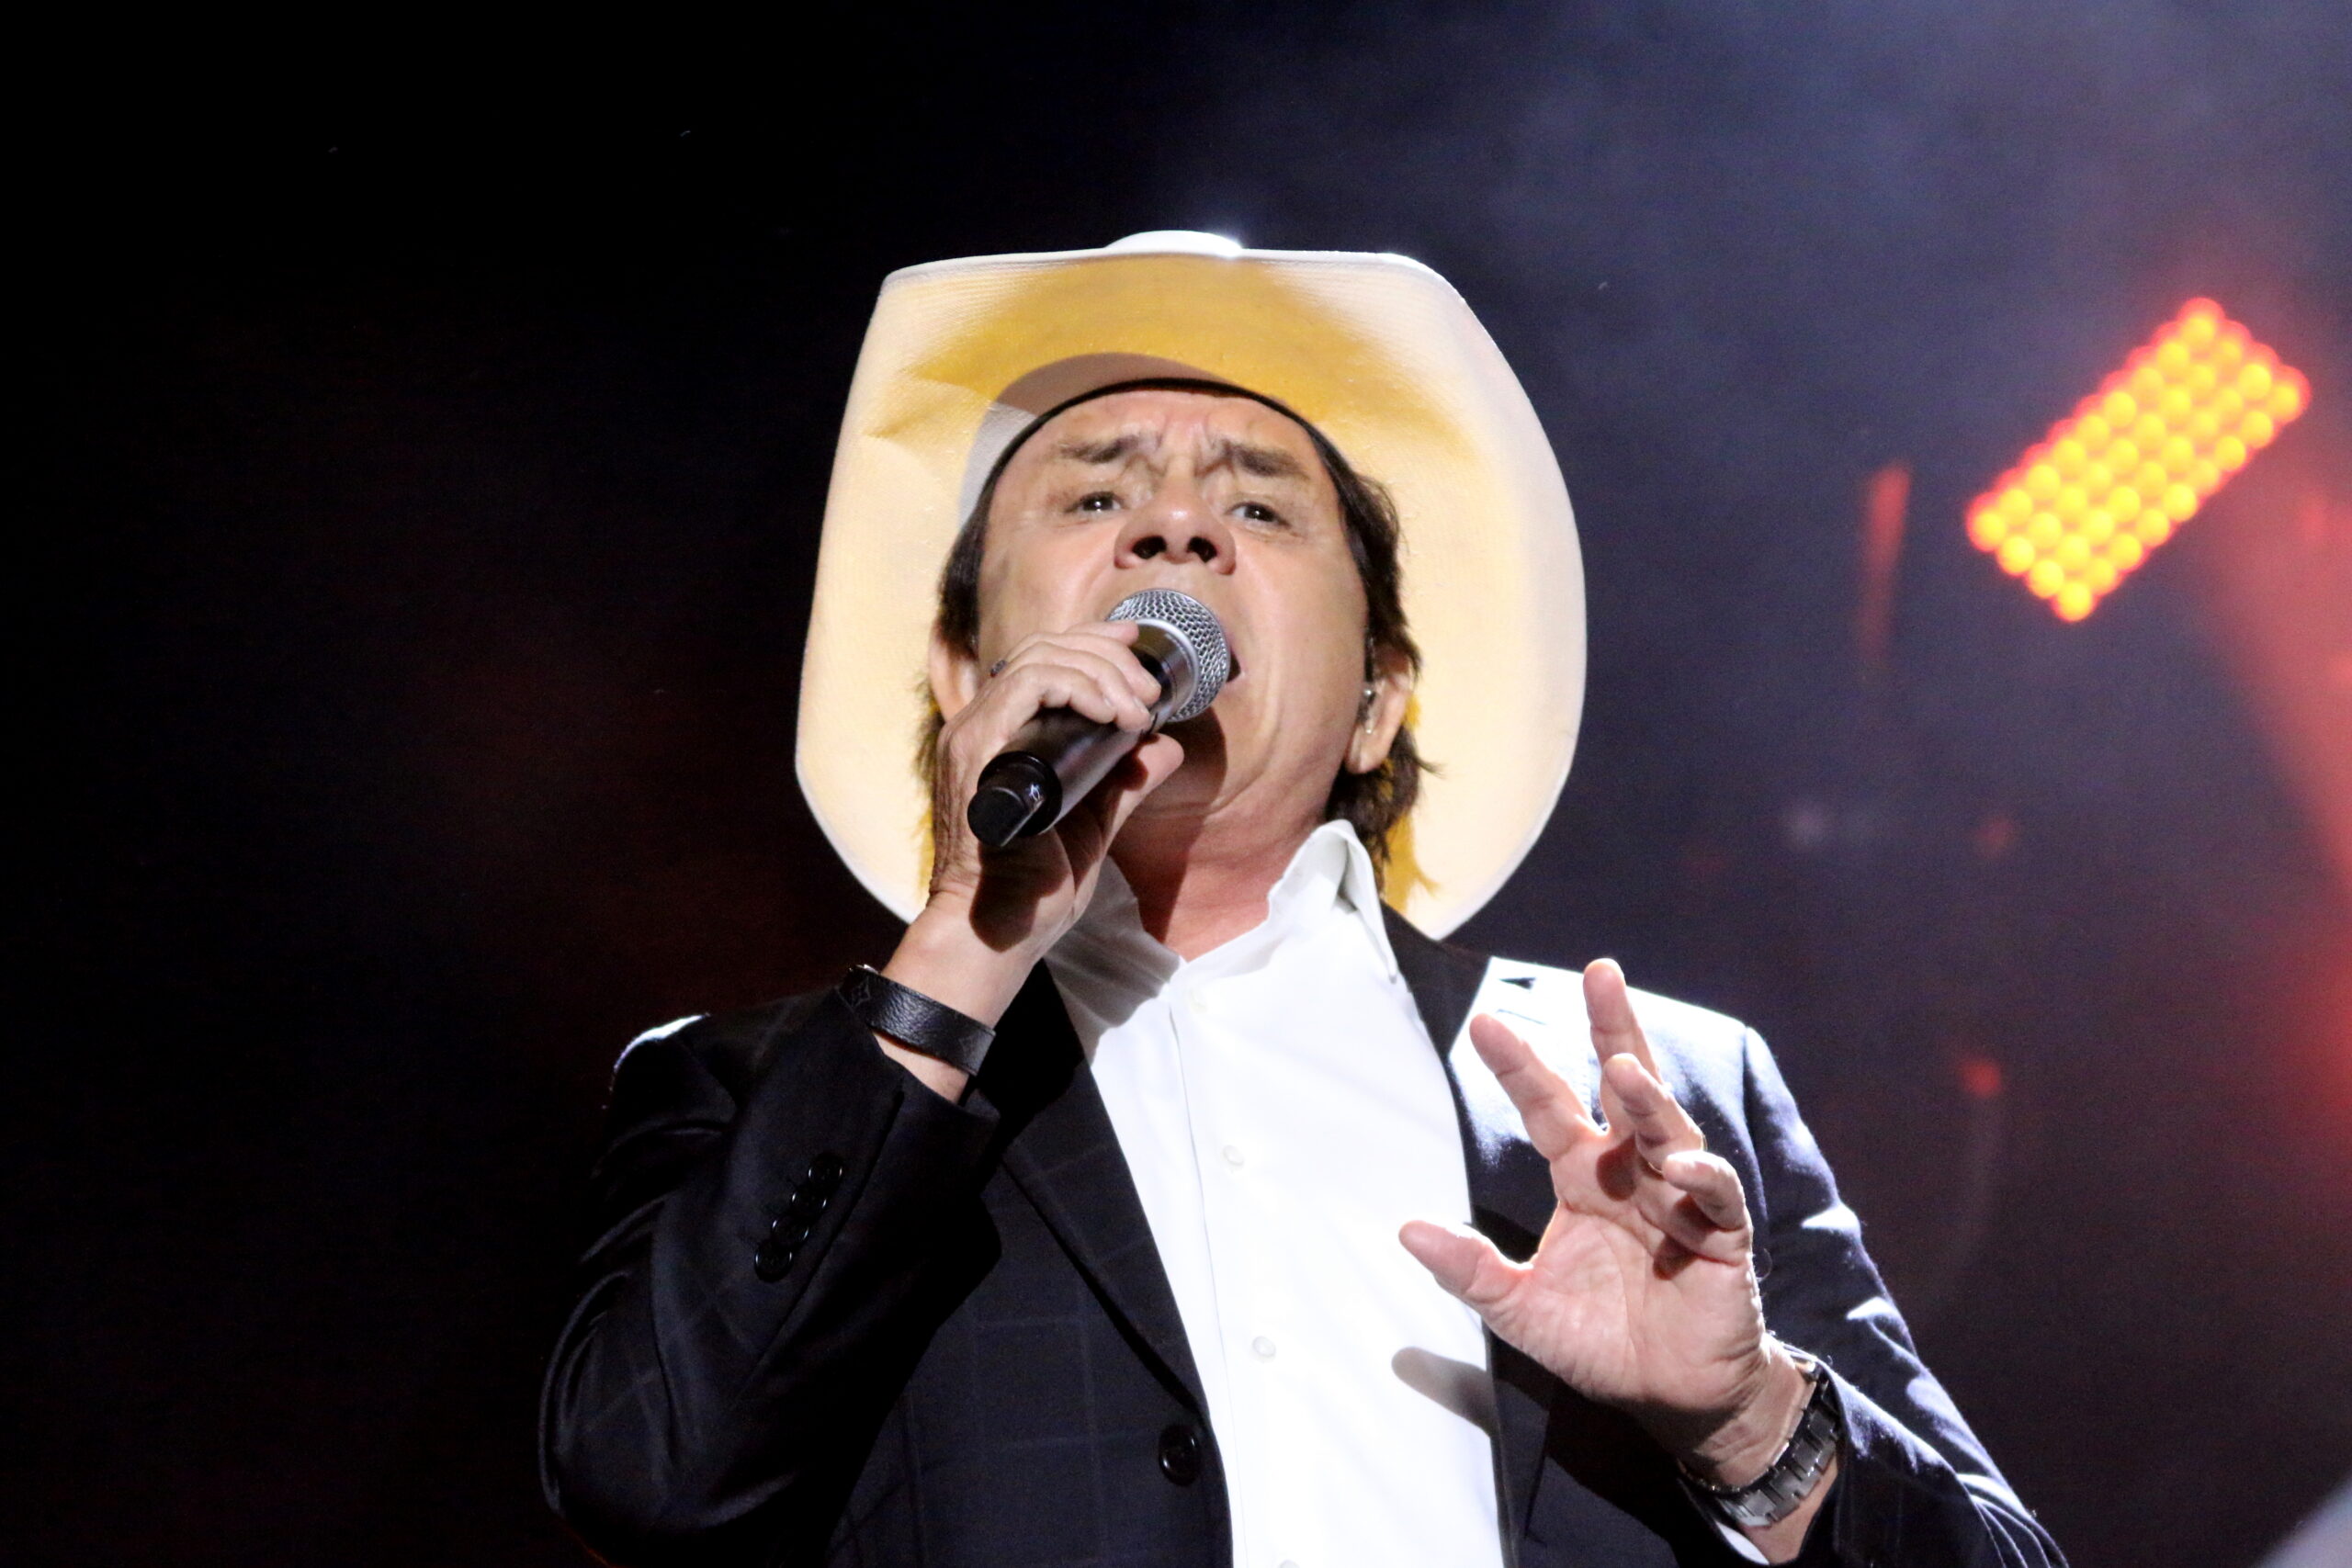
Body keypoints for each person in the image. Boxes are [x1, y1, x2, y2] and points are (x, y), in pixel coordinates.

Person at [540, 233, 2064, 1567]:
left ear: (1379, 700)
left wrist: (1746, 1420)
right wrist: (957, 947)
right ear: (959, 673)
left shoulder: (1659, 1095)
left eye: (1261, 511)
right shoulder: (750, 1094)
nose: (1176, 531)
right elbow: (648, 1485)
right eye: (1096, 493)